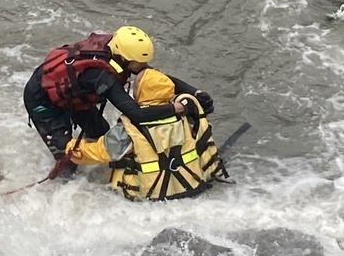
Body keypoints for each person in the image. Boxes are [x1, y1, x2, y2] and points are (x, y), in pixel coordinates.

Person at [23, 26, 213, 175]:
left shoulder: (120, 53)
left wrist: (194, 93)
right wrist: (178, 108)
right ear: (123, 58)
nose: (142, 68)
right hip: (43, 100)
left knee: (100, 132)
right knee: (67, 159)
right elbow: (136, 114)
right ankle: (66, 192)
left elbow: (155, 75)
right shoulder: (99, 76)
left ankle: (100, 167)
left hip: (76, 96)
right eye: (138, 63)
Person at [66, 66, 229, 200]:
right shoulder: (186, 117)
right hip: (190, 188)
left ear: (141, 91)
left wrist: (69, 148)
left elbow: (99, 153)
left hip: (147, 198)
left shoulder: (131, 127)